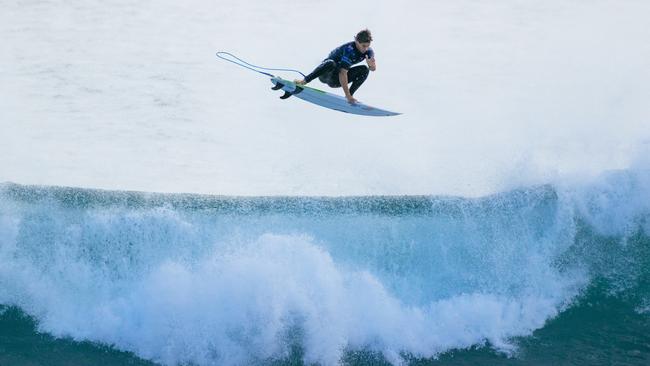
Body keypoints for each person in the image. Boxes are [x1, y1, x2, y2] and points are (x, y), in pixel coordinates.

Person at [295, 29, 376, 104]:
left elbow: (373, 68)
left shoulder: (369, 51)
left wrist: (371, 66)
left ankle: (349, 97)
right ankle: (304, 81)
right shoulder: (349, 50)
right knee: (331, 63)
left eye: (367, 46)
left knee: (365, 70)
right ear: (356, 41)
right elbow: (342, 73)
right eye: (363, 46)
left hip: (335, 81)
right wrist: (347, 95)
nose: (365, 49)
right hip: (325, 74)